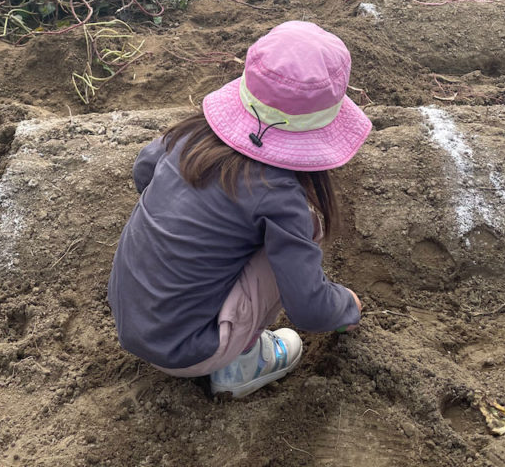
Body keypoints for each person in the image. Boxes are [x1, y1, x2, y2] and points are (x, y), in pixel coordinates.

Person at [108, 20, 372, 398]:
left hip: (131, 314)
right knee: (302, 234)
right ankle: (244, 362)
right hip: (186, 352)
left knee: (245, 235)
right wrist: (348, 304)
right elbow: (308, 306)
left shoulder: (189, 136)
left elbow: (144, 172)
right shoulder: (279, 194)